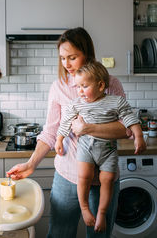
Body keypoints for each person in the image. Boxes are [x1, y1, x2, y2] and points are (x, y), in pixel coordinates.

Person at [7, 27, 145, 238]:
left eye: (72, 57)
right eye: (62, 58)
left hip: (103, 179)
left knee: (99, 235)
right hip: (67, 177)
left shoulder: (110, 84)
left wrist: (87, 128)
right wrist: (30, 164)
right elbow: (51, 131)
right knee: (59, 234)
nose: (66, 64)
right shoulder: (59, 87)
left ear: (87, 54)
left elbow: (125, 129)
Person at [55, 61, 146, 233]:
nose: (80, 90)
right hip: (86, 148)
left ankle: (102, 214)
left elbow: (130, 119)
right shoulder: (77, 104)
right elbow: (65, 122)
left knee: (107, 180)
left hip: (108, 149)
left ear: (101, 85)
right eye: (78, 87)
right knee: (84, 176)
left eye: (84, 86)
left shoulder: (116, 102)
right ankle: (85, 209)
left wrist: (139, 137)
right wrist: (59, 140)